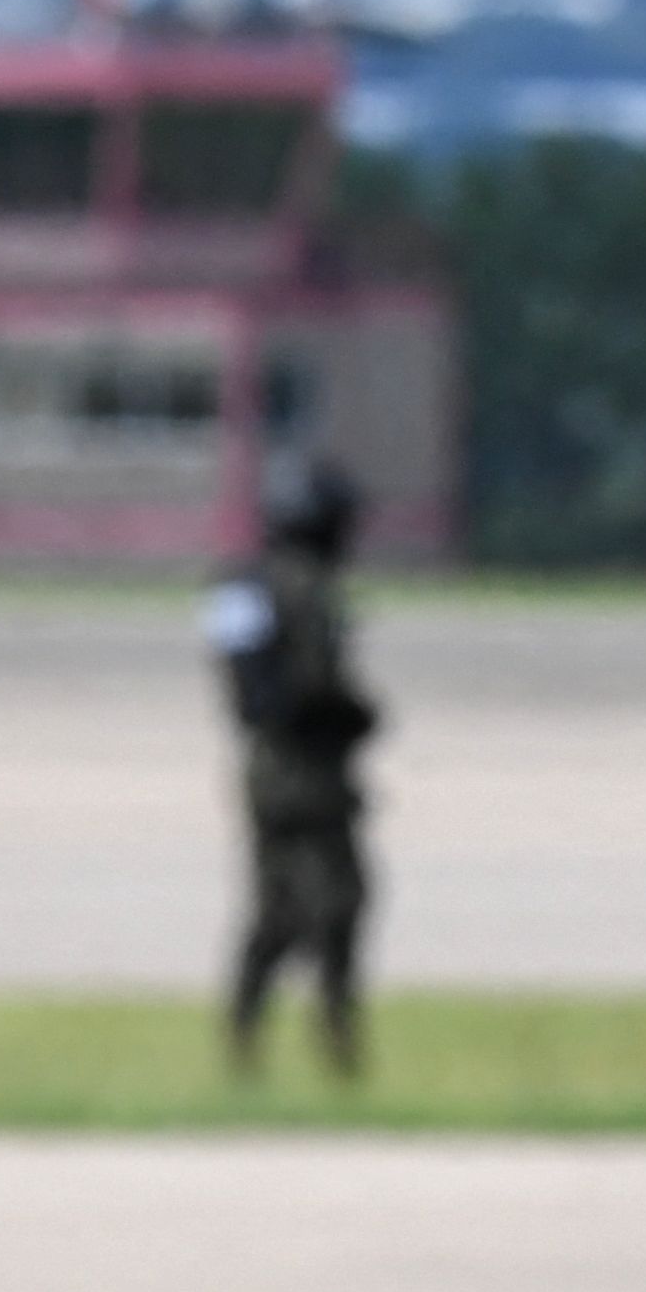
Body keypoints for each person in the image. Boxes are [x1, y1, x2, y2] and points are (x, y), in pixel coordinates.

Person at [204, 457, 384, 1080]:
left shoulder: (243, 587)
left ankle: (242, 1041)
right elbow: (317, 686)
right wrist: (358, 718)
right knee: (339, 904)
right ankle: (337, 1046)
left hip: (263, 770)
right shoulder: (308, 592)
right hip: (311, 774)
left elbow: (239, 685)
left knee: (273, 911)